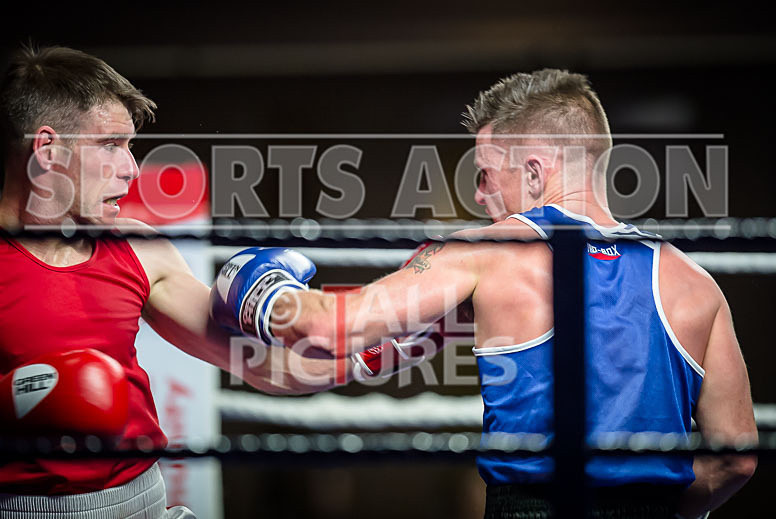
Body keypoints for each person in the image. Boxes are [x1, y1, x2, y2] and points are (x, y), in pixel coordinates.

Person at [215, 70, 758, 518]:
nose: (478, 195)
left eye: (484, 174)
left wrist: (259, 289)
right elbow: (736, 459)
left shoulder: (489, 251)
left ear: (536, 171)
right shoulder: (696, 283)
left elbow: (329, 329)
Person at [0, 45, 345, 518]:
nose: (131, 168)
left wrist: (384, 342)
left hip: (143, 502)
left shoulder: (136, 247)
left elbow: (263, 364)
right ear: (47, 150)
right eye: (110, 145)